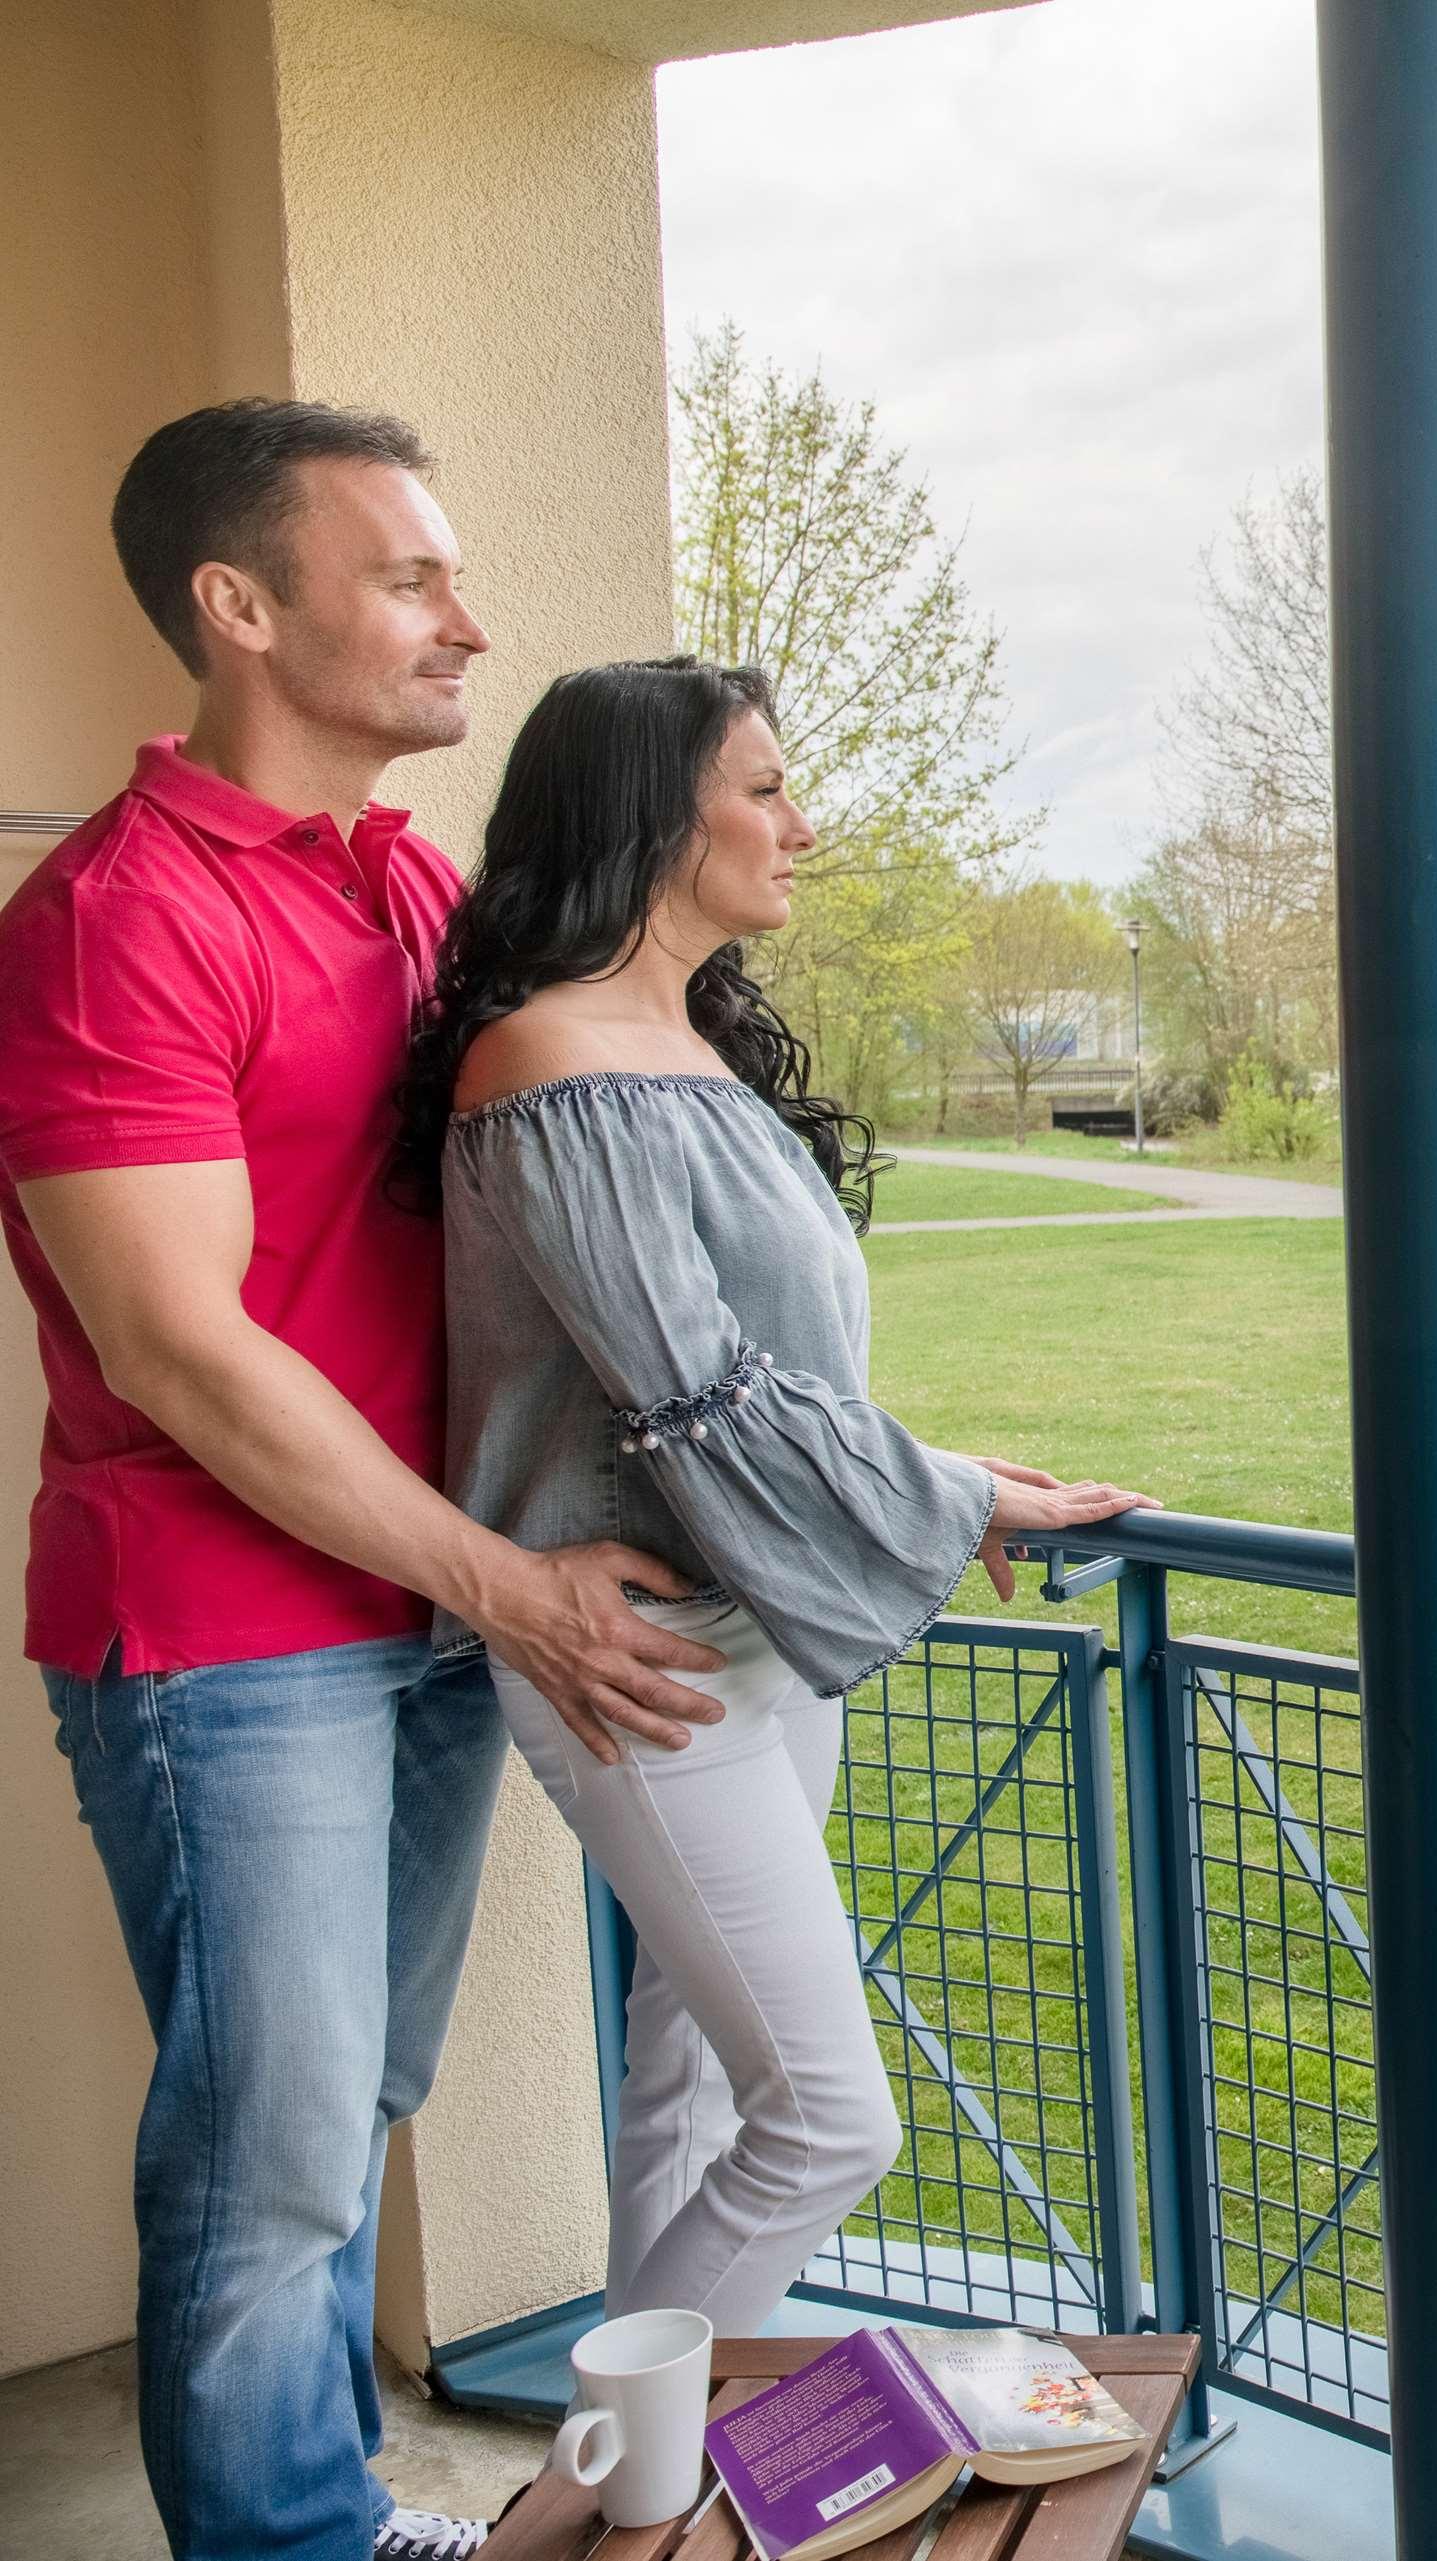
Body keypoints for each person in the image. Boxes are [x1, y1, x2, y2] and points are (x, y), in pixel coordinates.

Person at [0, 401, 744, 2561]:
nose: (465, 619)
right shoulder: (115, 921)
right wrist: (512, 1593)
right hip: (228, 1637)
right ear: (240, 610)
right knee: (272, 2153)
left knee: (347, 2115)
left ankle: (311, 2510)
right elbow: (175, 1342)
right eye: (409, 575)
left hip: (419, 1606)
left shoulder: (412, 891)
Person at [400, 655, 1153, 2343]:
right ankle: (595, 2478)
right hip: (637, 1655)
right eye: (762, 788)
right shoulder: (548, 1062)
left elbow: (758, 1369)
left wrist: (956, 1473)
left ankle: (657, 2502)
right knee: (830, 2115)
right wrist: (952, 1497)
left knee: (691, 2077)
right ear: (655, 818)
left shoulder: (682, 1041)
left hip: (745, 1628)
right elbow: (696, 1390)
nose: (798, 826)